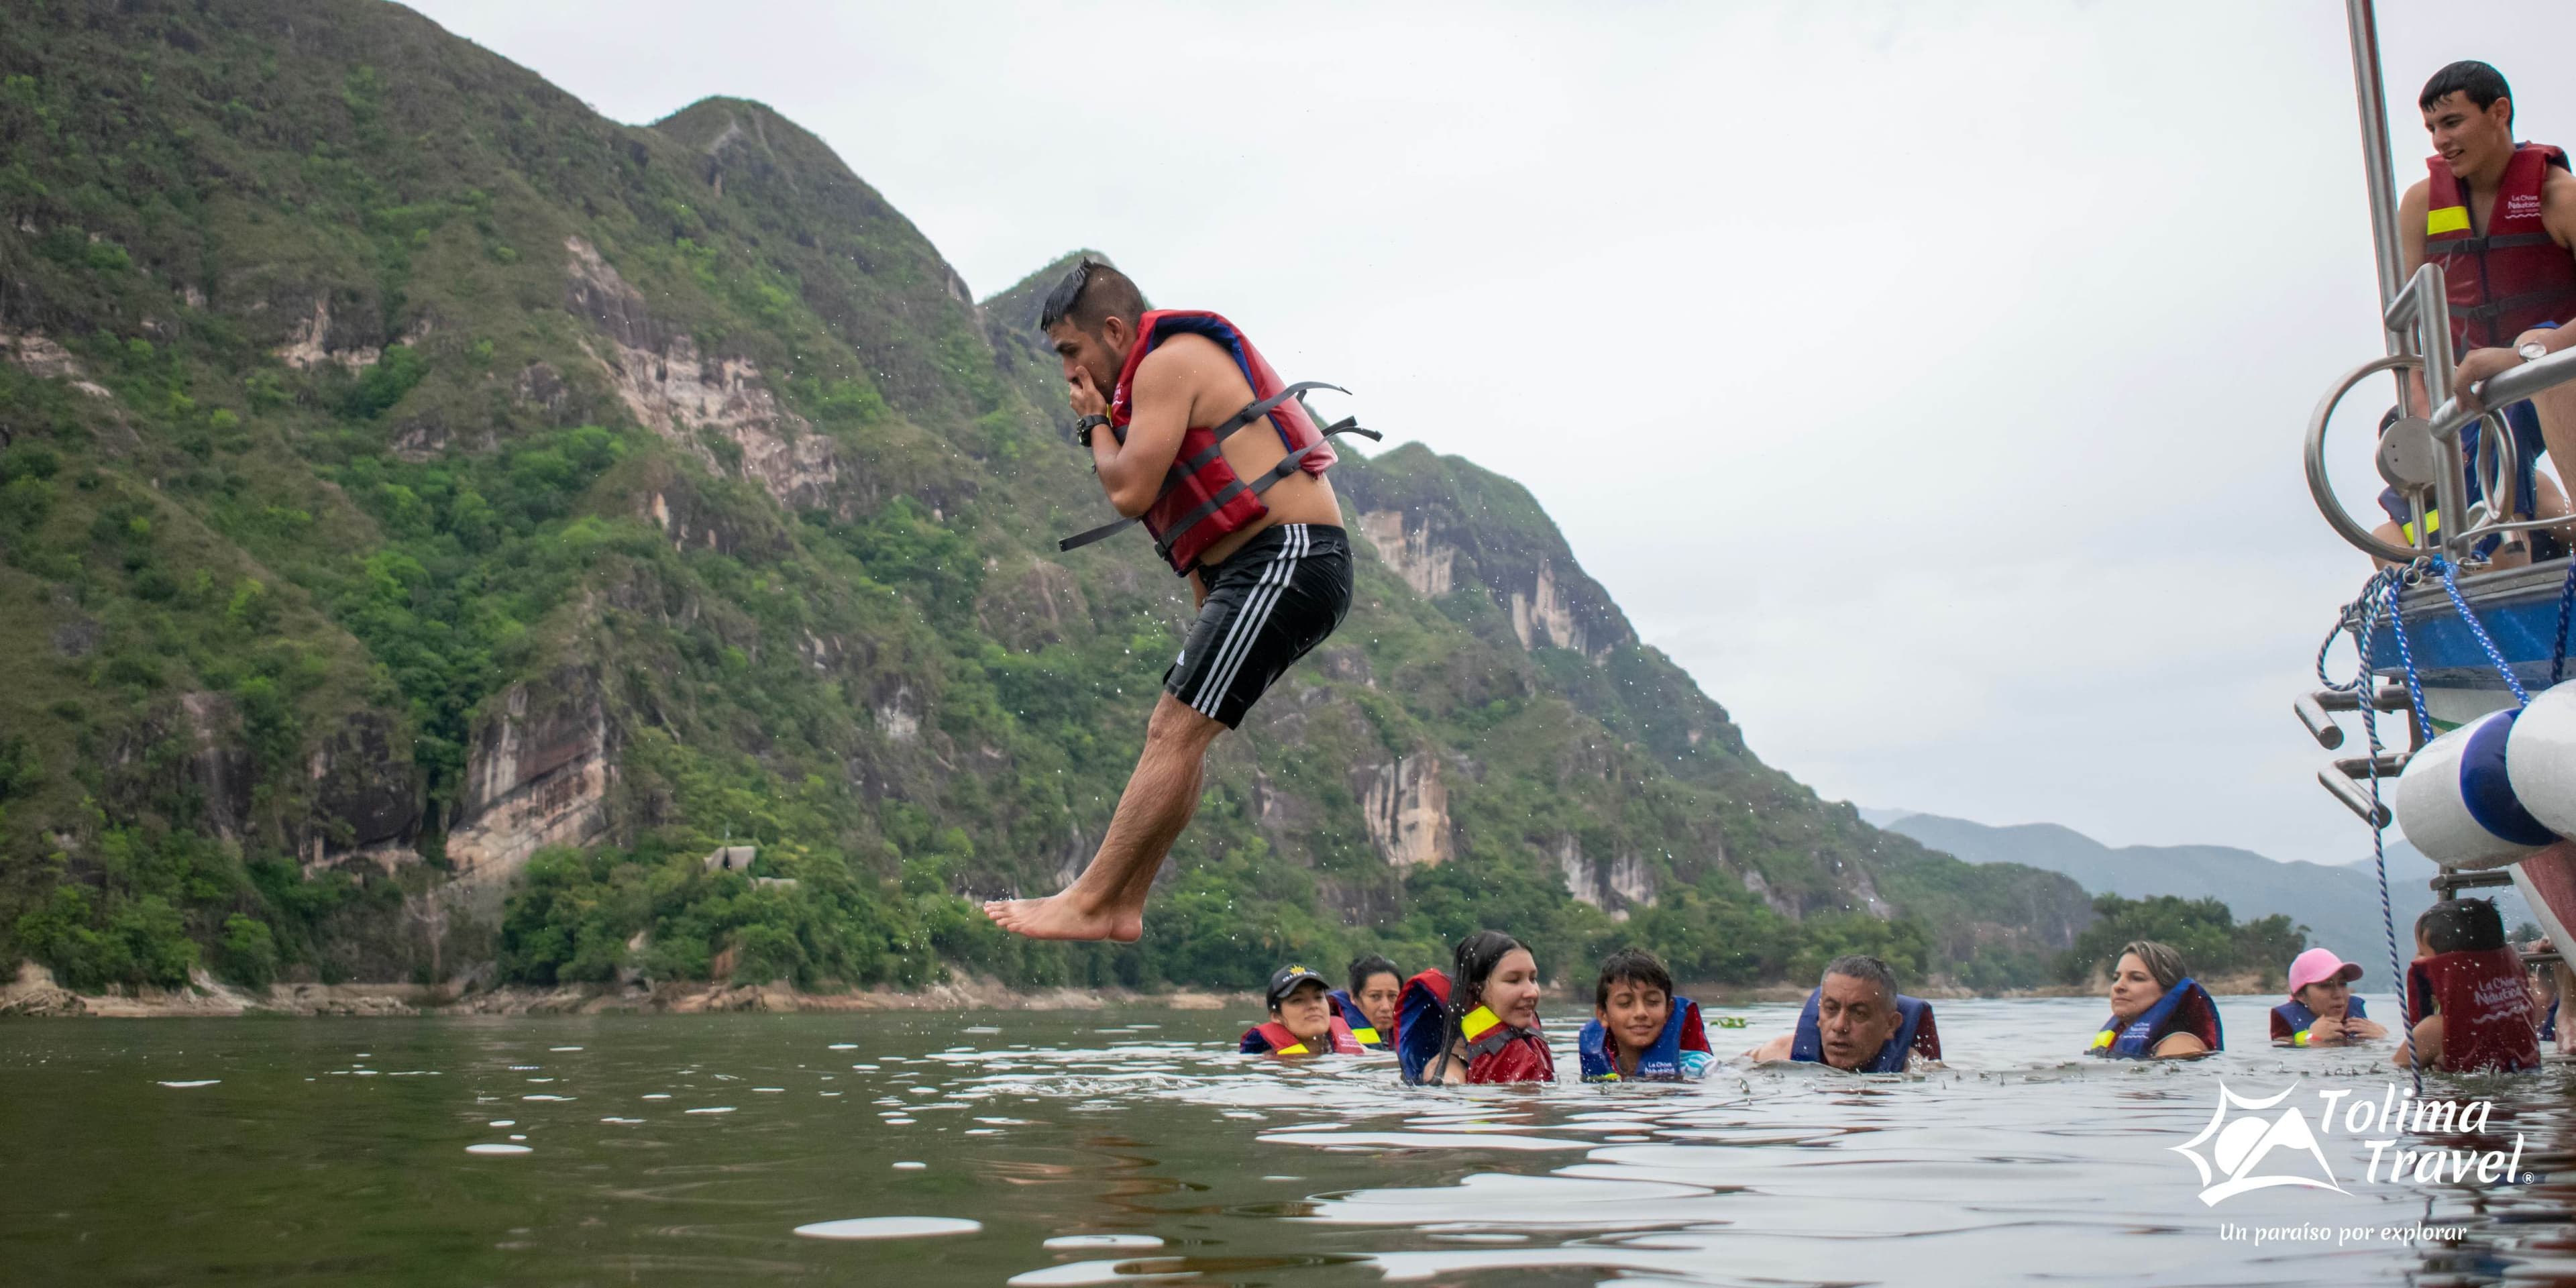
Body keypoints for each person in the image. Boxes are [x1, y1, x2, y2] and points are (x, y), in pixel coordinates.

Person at [983, 261, 1373, 943]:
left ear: (1112, 331)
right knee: (1178, 737)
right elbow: (1194, 534)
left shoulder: (1168, 364)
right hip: (1263, 570)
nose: (1070, 372)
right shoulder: (1148, 396)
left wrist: (1092, 424)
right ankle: (1124, 902)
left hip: (1290, 558)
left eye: (1072, 352)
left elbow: (1130, 491)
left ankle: (1094, 899)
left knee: (1173, 732)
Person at [2372, 60, 2576, 566]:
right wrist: (2421, 402)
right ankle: (2502, 585)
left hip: (2557, 363)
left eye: (2453, 122)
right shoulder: (2421, 206)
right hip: (2470, 388)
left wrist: (2534, 352)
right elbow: (2405, 324)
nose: (2440, 139)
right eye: (2432, 128)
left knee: (2541, 375)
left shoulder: (2560, 198)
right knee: (2466, 462)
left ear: (2498, 112)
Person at [1395, 931, 1556, 1085]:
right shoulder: (1447, 1075)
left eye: (1533, 979)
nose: (1532, 992)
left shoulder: (1525, 1042)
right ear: (1475, 990)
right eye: (1513, 981)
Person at [2399, 898, 2539, 1072]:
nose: (2415, 960)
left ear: (2445, 969)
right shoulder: (2517, 1013)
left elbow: (2391, 1074)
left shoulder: (2433, 1029)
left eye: (2422, 952)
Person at [1748, 954, 1943, 1073]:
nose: (1840, 1026)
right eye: (1831, 1010)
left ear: (1890, 1025)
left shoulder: (1918, 1072)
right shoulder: (1776, 1056)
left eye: (1859, 1014)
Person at [1578, 949, 1713, 1081]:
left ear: (1668, 1010)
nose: (1640, 1013)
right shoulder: (1601, 1071)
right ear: (1603, 1015)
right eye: (1625, 1003)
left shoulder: (1700, 1067)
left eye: (1652, 1002)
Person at [2089, 941, 2222, 1059]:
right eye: (2116, 978)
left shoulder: (2180, 1046)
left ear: (2167, 991)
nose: (2118, 986)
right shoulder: (2121, 1037)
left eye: (2137, 978)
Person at [1240, 964, 1364, 1057]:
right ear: (1276, 1016)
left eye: (1318, 998)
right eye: (1298, 1000)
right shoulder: (1264, 1063)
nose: (1313, 1006)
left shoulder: (1360, 1052)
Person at [2270, 947, 2386, 1046]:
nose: (2339, 995)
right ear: (2301, 996)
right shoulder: (2286, 1031)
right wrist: (2314, 1039)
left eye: (2342, 984)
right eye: (2325, 986)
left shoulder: (2361, 1024)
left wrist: (2383, 1037)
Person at [1329, 955, 1401, 1050]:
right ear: (1354, 997)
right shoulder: (1327, 1040)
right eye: (1375, 996)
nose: (1386, 1007)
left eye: (1392, 996)